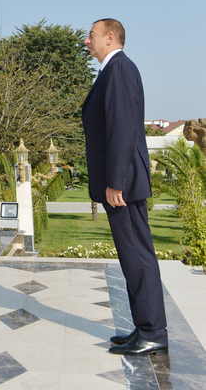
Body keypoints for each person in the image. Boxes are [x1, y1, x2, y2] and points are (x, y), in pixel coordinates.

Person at [82, 18, 167, 355]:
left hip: (123, 184)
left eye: (91, 35)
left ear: (110, 37)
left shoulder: (118, 69)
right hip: (121, 181)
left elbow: (122, 128)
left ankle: (153, 332)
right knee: (132, 257)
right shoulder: (112, 70)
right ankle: (144, 326)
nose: (86, 40)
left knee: (137, 256)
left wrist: (115, 181)